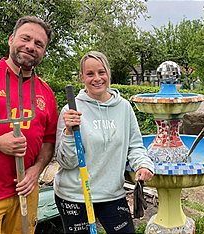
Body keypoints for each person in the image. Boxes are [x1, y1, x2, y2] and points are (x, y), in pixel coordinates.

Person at [0, 16, 58, 233]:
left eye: (39, 44)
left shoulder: (45, 92)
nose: (30, 46)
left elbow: (48, 140)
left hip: (26, 193)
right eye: (25, 38)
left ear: (43, 52)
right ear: (11, 39)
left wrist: (36, 171)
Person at [54, 51, 154, 233]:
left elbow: (135, 145)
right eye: (90, 74)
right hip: (76, 195)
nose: (97, 78)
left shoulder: (123, 107)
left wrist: (143, 165)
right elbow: (66, 162)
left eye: (101, 72)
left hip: (112, 193)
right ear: (82, 77)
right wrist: (69, 132)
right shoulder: (71, 110)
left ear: (108, 73)